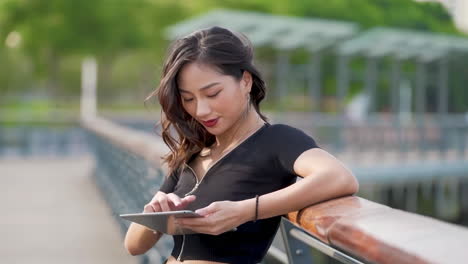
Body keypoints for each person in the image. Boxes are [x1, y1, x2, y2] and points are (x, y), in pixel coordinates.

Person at [124, 26, 359, 264]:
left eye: (213, 93)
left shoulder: (277, 140)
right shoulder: (193, 153)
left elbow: (339, 177)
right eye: (188, 99)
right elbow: (133, 246)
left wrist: (244, 212)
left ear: (245, 81)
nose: (201, 110)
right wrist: (155, 213)